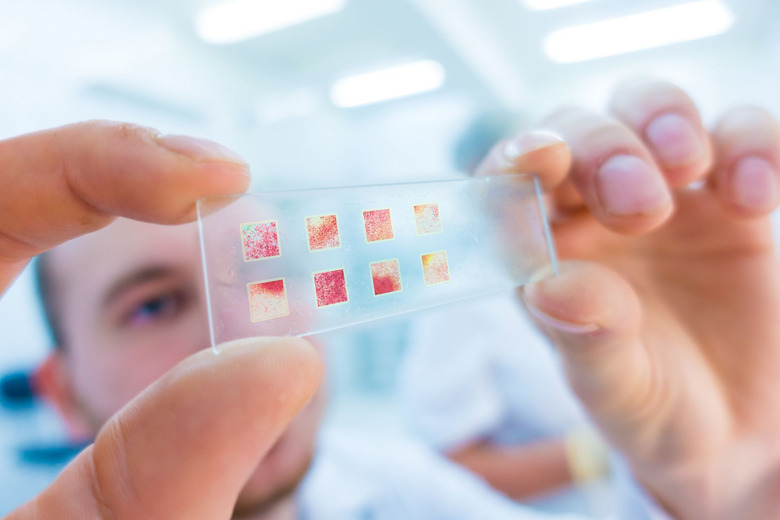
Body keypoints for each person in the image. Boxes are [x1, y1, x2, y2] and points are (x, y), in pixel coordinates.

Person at [0, 79, 779, 519]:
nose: (247, 331)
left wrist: (723, 491)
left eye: (270, 273)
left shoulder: (396, 490)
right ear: (60, 393)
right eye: (151, 305)